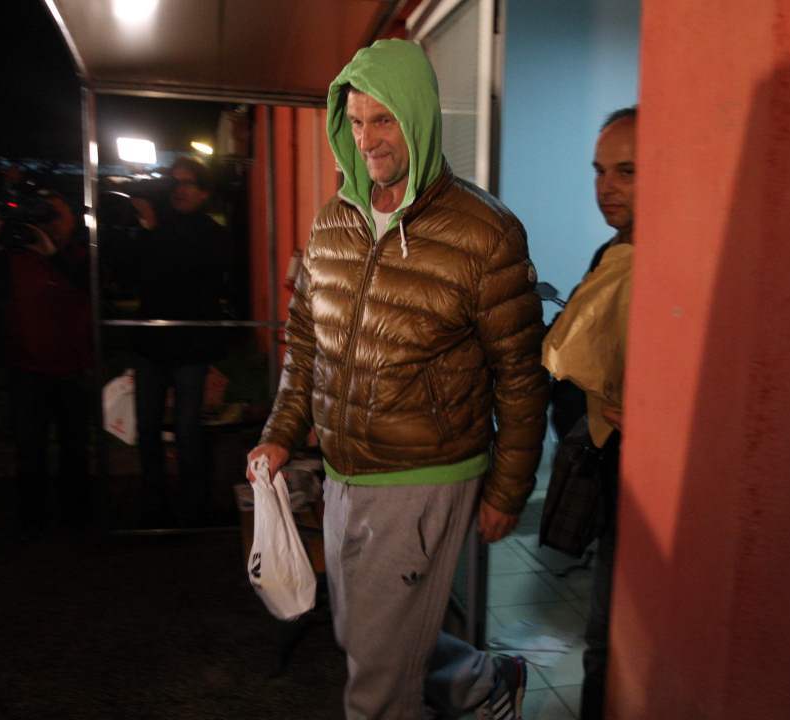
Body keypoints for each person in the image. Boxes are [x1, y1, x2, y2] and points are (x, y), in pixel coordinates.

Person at [248, 39, 548, 720]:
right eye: (356, 122)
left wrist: (508, 488)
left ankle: (462, 687)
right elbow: (306, 344)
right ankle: (480, 683)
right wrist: (281, 433)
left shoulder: (487, 233)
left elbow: (521, 378)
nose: (367, 140)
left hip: (426, 476)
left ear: (418, 116)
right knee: (360, 634)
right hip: (343, 472)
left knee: (377, 686)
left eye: (383, 120)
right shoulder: (333, 222)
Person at [547, 106, 637, 720]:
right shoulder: (613, 254)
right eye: (599, 171)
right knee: (603, 645)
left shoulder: (668, 260)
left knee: (618, 649)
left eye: (626, 171)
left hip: (652, 498)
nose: (606, 187)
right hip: (614, 484)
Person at [127, 156, 236, 526]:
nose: (179, 189)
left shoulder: (211, 233)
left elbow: (192, 274)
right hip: (151, 343)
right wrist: (147, 227)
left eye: (188, 183)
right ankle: (153, 500)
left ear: (204, 192)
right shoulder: (154, 226)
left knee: (188, 427)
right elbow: (135, 274)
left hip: (190, 343)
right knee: (147, 426)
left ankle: (193, 505)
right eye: (174, 182)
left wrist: (154, 230)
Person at [0, 185, 92, 536]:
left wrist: (52, 254)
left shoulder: (81, 254)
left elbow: (89, 287)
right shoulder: (15, 255)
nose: (51, 222)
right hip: (26, 367)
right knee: (30, 448)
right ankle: (33, 518)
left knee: (74, 446)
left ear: (73, 219)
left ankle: (75, 516)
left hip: (72, 366)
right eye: (44, 215)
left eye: (57, 215)